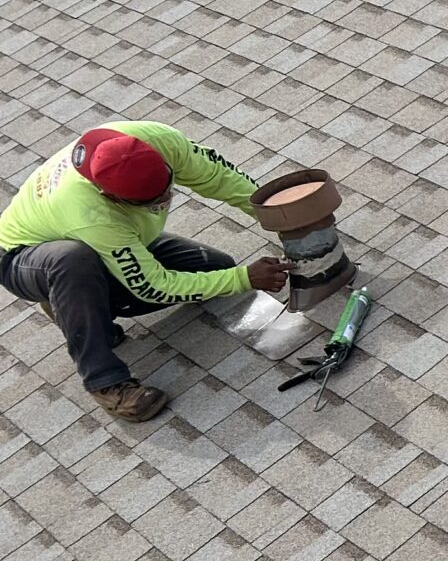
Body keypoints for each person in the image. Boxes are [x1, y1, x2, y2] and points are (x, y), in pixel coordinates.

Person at [0, 123, 287, 423]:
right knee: (72, 261)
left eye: (167, 189)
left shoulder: (158, 139)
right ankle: (104, 380)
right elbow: (152, 286)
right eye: (153, 203)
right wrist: (244, 278)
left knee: (217, 269)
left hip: (112, 239)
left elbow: (218, 176)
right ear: (111, 197)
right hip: (25, 257)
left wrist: (280, 216)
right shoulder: (90, 214)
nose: (165, 201)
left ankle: (79, 302)